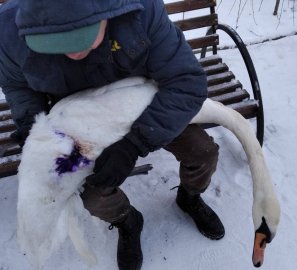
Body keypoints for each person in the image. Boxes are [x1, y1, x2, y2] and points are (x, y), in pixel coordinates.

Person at [0, 0, 225, 269]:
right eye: (55, 42)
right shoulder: (8, 31)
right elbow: (17, 85)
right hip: (81, 121)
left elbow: (186, 82)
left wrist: (135, 143)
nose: (71, 52)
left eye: (79, 38)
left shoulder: (141, 11)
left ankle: (190, 197)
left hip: (146, 107)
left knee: (204, 152)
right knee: (94, 196)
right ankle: (127, 221)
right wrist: (30, 126)